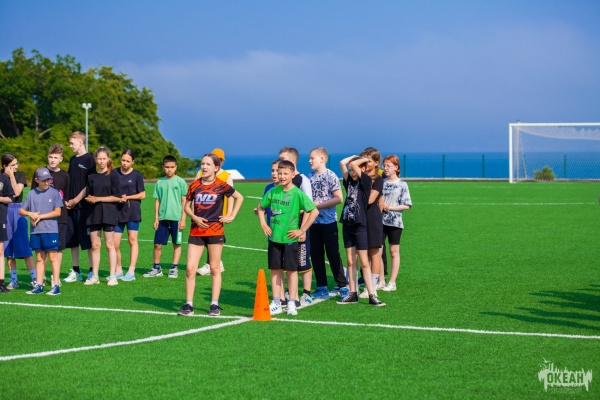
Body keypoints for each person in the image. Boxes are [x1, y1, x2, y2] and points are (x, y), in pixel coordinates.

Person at [177, 153, 244, 317]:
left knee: (214, 267)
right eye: (202, 164)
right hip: (196, 231)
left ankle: (214, 304)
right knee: (190, 268)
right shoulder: (194, 185)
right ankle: (189, 304)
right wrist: (194, 218)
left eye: (208, 164)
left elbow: (239, 197)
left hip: (215, 231)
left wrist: (231, 215)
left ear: (216, 167)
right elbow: (186, 207)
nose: (204, 167)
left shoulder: (221, 185)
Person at [257, 160, 319, 316]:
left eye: (285, 173)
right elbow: (260, 207)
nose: (282, 176)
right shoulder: (273, 191)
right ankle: (276, 302)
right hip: (274, 238)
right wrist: (263, 224)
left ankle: (291, 302)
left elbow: (314, 211)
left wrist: (302, 230)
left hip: (290, 239)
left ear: (292, 175)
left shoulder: (297, 193)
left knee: (291, 271)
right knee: (275, 270)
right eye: (280, 173)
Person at [336, 155, 385, 306]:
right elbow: (342, 163)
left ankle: (372, 295)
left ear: (362, 169)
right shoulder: (348, 182)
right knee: (351, 261)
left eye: (354, 170)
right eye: (350, 170)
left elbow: (354, 165)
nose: (352, 172)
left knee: (364, 261)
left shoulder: (366, 182)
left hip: (360, 226)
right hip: (347, 225)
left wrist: (361, 160)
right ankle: (352, 293)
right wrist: (354, 158)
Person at [307, 147, 349, 299]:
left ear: (322, 159)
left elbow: (339, 198)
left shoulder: (331, 175)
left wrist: (318, 205)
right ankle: (321, 286)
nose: (310, 161)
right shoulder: (309, 177)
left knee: (333, 254)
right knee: (316, 255)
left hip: (329, 223)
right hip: (313, 223)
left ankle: (343, 286)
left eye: (312, 158)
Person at [278, 147, 314, 306]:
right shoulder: (281, 182)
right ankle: (291, 293)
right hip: (285, 228)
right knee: (288, 261)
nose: (279, 162)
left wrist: (303, 229)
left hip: (300, 226)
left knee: (303, 259)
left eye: (282, 159)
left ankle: (306, 292)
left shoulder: (302, 179)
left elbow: (309, 206)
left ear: (292, 161)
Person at [19, 167, 63, 295]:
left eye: (48, 179)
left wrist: (40, 216)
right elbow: (21, 210)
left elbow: (58, 212)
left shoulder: (54, 193)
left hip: (50, 230)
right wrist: (30, 213)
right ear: (37, 180)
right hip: (36, 231)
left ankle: (56, 286)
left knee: (53, 257)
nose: (46, 182)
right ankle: (39, 285)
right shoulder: (31, 194)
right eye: (43, 180)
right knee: (39, 258)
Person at [31, 144, 70, 286]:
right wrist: (34, 215)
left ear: (61, 159)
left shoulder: (65, 175)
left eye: (56, 157)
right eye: (51, 157)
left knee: (57, 249)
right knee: (42, 250)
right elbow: (33, 195)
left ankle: (55, 277)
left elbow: (66, 197)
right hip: (42, 218)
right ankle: (40, 278)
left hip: (60, 218)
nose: (53, 160)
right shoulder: (39, 172)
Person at [144, 155, 187, 278]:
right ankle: (156, 267)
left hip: (177, 219)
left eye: (172, 167)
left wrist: (183, 219)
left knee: (176, 244)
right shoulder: (159, 182)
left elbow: (184, 201)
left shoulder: (181, 182)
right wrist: (156, 218)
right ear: (163, 167)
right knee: (157, 244)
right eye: (167, 167)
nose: (169, 169)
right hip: (162, 219)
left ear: (176, 167)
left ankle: (174, 268)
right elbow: (157, 201)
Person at [84, 147, 121, 286]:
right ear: (95, 159)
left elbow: (117, 197)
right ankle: (95, 276)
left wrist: (98, 199)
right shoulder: (91, 176)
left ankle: (112, 276)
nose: (101, 161)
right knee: (95, 245)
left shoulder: (113, 175)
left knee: (109, 245)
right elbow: (88, 194)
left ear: (108, 159)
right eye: (99, 158)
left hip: (109, 214)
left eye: (104, 158)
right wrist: (89, 199)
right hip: (93, 214)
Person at [64, 131, 96, 283]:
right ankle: (76, 271)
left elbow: (90, 184)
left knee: (88, 241)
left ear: (80, 142)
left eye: (72, 143)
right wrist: (67, 201)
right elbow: (69, 182)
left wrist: (76, 200)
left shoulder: (90, 160)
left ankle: (92, 271)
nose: (70, 146)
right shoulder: (72, 160)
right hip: (71, 207)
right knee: (73, 240)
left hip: (84, 207)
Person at [196, 148, 233, 276]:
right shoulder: (201, 173)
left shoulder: (226, 176)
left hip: (218, 213)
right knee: (204, 236)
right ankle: (216, 262)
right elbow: (194, 190)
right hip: (202, 212)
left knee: (213, 237)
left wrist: (229, 213)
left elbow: (231, 195)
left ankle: (210, 264)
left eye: (220, 159)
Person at [2, 153, 35, 289]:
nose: (16, 166)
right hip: (4, 211)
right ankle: (13, 280)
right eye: (12, 165)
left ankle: (35, 278)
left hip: (18, 211)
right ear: (5, 166)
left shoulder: (20, 175)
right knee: (8, 248)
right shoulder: (1, 177)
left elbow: (16, 192)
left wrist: (11, 175)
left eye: (16, 163)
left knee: (24, 246)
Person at [381, 155, 412, 291]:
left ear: (396, 167)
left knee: (393, 252)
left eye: (388, 166)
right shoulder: (381, 182)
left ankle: (392, 283)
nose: (385, 168)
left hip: (395, 222)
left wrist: (391, 207)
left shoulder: (402, 184)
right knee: (378, 251)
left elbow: (407, 205)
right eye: (384, 165)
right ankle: (380, 280)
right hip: (379, 221)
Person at [114, 149, 146, 281]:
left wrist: (128, 197)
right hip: (117, 211)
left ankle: (131, 271)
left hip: (133, 211)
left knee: (132, 240)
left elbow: (142, 195)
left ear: (133, 161)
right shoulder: (114, 173)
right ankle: (118, 269)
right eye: (123, 160)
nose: (125, 163)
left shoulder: (137, 175)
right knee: (114, 243)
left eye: (128, 161)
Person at [358, 147, 385, 298]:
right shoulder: (357, 177)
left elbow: (370, 199)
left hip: (372, 219)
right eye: (362, 161)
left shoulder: (378, 180)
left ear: (376, 163)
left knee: (374, 253)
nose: (365, 164)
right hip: (359, 219)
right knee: (363, 254)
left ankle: (372, 287)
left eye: (368, 161)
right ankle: (366, 284)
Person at [0, 170, 14, 293]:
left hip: (0, 218)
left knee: (0, 251)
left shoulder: (3, 178)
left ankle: (1, 283)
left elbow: (11, 198)